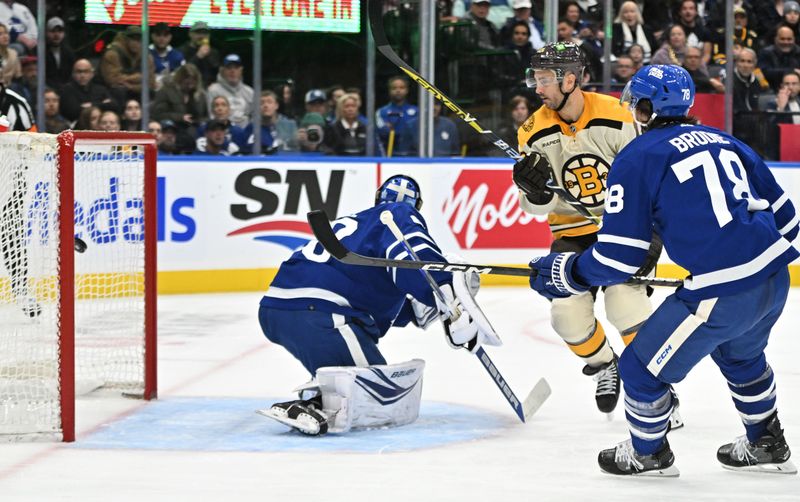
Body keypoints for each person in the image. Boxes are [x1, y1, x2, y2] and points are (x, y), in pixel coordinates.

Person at [529, 64, 799, 476]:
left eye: (635, 102)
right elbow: (789, 220)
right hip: (775, 279)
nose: (631, 109)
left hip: (721, 291)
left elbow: (618, 258)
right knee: (741, 357)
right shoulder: (726, 141)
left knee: (639, 371)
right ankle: (766, 441)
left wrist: (566, 272)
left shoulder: (637, 156)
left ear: (646, 108)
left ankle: (648, 453)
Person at [257, 175, 495, 435]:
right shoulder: (397, 214)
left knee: (361, 387)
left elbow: (377, 294)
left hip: (281, 308)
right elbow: (413, 253)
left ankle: (323, 393)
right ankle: (314, 403)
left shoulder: (359, 227)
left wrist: (430, 307)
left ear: (377, 197)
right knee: (376, 401)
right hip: (322, 314)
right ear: (417, 206)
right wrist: (445, 288)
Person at [512, 42, 658, 416]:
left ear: (570, 80)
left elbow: (648, 180)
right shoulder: (531, 131)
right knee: (567, 316)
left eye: (544, 80)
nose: (538, 88)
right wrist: (535, 190)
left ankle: (655, 391)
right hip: (571, 233)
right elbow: (536, 208)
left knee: (625, 306)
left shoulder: (617, 115)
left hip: (624, 227)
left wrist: (653, 234)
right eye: (537, 79)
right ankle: (605, 365)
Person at [0, 81, 37, 318]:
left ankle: (21, 288)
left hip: (9, 182)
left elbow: (35, 141)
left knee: (12, 236)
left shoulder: (16, 103)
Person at [59, 59, 115, 124]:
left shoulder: (100, 89)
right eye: (79, 72)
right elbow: (73, 112)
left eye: (86, 72)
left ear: (92, 74)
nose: (82, 75)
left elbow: (113, 105)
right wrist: (101, 104)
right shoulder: (67, 89)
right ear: (73, 74)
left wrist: (91, 105)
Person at [206, 54, 253, 129]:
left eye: (236, 68)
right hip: (221, 131)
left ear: (241, 70)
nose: (232, 71)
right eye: (229, 68)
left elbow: (255, 117)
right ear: (222, 70)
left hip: (245, 133)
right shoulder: (213, 90)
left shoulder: (250, 92)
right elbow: (212, 116)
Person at [376, 76, 418, 156]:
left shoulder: (417, 111)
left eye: (401, 87)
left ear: (407, 90)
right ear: (389, 91)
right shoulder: (382, 112)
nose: (398, 90)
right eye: (394, 88)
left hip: (414, 155)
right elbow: (383, 132)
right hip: (390, 154)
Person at [148, 22, 185, 89]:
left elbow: (183, 75)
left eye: (165, 35)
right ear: (153, 36)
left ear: (170, 37)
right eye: (158, 35)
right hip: (151, 89)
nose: (162, 38)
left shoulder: (177, 55)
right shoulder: (146, 53)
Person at [44, 17, 75, 93]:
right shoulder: (40, 51)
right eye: (53, 31)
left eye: (60, 31)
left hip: (65, 89)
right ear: (46, 32)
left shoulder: (68, 52)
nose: (56, 34)